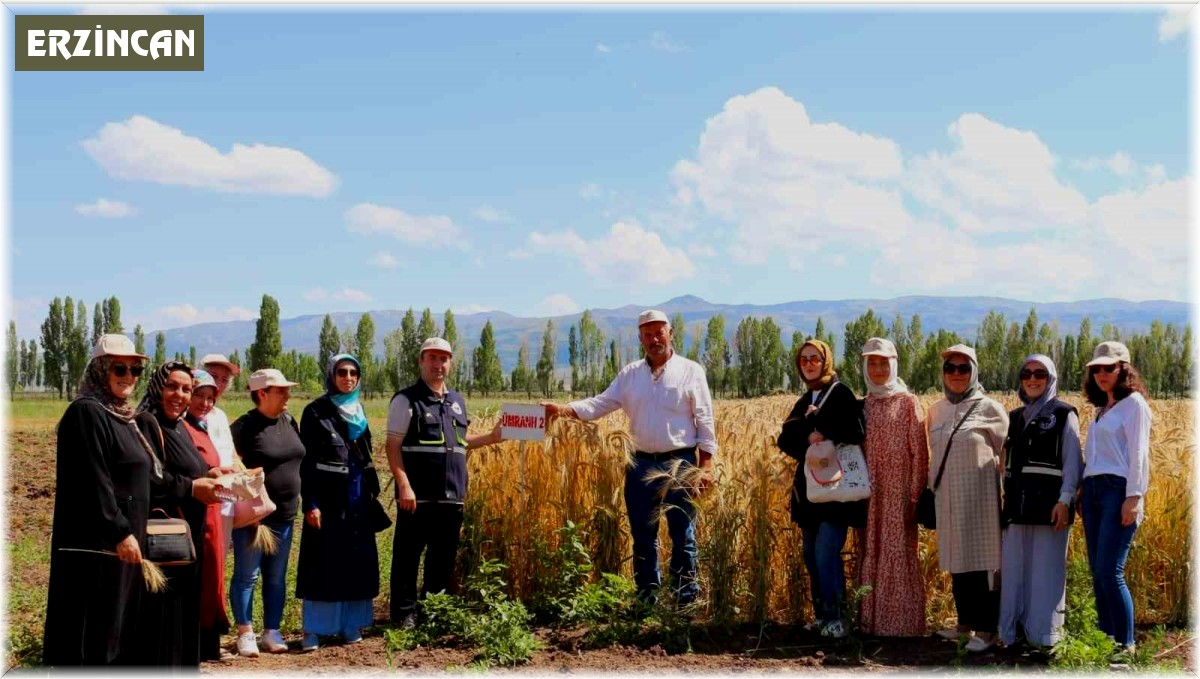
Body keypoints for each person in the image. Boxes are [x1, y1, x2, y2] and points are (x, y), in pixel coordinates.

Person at [543, 310, 717, 609]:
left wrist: (706, 467)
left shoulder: (691, 371)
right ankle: (647, 600)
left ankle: (684, 602)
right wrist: (563, 409)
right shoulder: (630, 375)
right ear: (640, 339)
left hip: (682, 463)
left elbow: (705, 420)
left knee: (683, 535)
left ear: (671, 333)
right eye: (647, 335)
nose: (654, 340)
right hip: (640, 465)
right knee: (642, 537)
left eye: (659, 333)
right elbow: (600, 403)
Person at [43, 335, 152, 666]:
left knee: (115, 631)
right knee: (94, 633)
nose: (129, 376)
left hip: (122, 546)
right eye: (120, 368)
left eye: (136, 369)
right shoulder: (87, 412)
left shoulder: (120, 415)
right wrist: (119, 530)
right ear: (100, 369)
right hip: (98, 546)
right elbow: (94, 481)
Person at [387, 338, 502, 628]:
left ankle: (433, 612)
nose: (439, 365)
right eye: (433, 358)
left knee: (442, 559)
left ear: (450, 363)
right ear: (421, 361)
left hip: (452, 497)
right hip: (418, 496)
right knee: (407, 557)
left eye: (444, 359)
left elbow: (462, 442)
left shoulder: (457, 402)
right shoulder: (406, 399)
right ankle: (404, 615)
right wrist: (404, 485)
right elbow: (392, 446)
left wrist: (492, 437)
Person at [134, 361, 228, 667]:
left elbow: (188, 469)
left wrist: (212, 473)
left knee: (185, 611)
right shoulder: (149, 423)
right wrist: (191, 488)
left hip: (190, 536)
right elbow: (150, 478)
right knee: (165, 617)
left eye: (187, 389)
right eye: (172, 386)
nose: (180, 394)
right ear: (158, 387)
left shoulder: (181, 425)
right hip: (165, 538)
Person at [776, 339, 865, 639]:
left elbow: (855, 431)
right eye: (804, 360)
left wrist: (820, 425)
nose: (809, 364)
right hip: (810, 492)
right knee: (811, 555)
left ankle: (837, 618)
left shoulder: (840, 393)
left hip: (835, 491)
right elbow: (785, 439)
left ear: (825, 360)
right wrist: (809, 435)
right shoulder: (805, 398)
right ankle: (822, 616)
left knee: (826, 552)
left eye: (815, 358)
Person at [297, 354, 386, 650]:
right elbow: (306, 462)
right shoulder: (315, 412)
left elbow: (367, 456)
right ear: (331, 375)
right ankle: (314, 629)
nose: (348, 377)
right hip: (327, 499)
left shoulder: (358, 412)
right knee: (322, 560)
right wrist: (310, 503)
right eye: (342, 372)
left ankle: (350, 624)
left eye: (353, 373)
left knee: (355, 560)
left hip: (358, 498)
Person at [927, 344, 1008, 652]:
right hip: (948, 499)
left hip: (981, 501)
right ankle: (964, 625)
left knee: (984, 563)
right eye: (950, 368)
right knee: (957, 561)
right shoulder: (936, 410)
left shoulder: (990, 408)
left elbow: (1006, 453)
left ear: (974, 371)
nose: (956, 374)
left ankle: (987, 630)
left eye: (963, 368)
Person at [998, 354, 1082, 649]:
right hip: (1017, 510)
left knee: (1046, 572)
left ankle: (1045, 637)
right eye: (1026, 374)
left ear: (1051, 379)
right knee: (1014, 572)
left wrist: (1065, 500)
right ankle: (1013, 634)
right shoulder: (1013, 418)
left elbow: (1073, 461)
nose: (1032, 379)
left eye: (1040, 374)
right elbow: (1003, 462)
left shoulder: (1064, 414)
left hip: (1049, 508)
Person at [1080, 341, 1151, 656]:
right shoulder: (1101, 409)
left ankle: (1126, 644)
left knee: (1111, 571)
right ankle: (1104, 640)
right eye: (1096, 368)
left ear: (1124, 368)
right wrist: (1083, 490)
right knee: (1097, 570)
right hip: (1093, 491)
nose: (1102, 373)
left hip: (1117, 492)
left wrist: (1133, 497)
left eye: (1109, 367)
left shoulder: (1134, 404)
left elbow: (1139, 453)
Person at [230, 369, 306, 656]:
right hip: (255, 519)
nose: (288, 394)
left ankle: (272, 630)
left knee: (276, 576)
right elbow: (231, 462)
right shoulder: (244, 426)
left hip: (285, 515)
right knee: (247, 575)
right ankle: (245, 631)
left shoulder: (289, 420)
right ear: (262, 393)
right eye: (281, 390)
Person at [856, 337, 928, 638]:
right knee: (871, 549)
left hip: (899, 494)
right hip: (871, 495)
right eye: (871, 362)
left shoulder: (907, 402)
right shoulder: (864, 405)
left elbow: (919, 451)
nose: (877, 368)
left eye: (883, 362)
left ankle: (902, 625)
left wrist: (914, 494)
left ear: (894, 364)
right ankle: (870, 622)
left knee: (898, 553)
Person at [182, 369, 236, 662]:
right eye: (199, 395)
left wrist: (220, 472)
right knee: (199, 578)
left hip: (213, 510)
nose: (204, 403)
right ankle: (196, 645)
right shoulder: (181, 427)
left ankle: (209, 643)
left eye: (210, 398)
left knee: (213, 575)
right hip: (195, 513)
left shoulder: (201, 426)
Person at [200, 354, 241, 549]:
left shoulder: (221, 416)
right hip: (202, 499)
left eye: (224, 379)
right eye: (213, 375)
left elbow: (231, 455)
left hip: (226, 500)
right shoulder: (187, 413)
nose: (218, 383)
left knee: (219, 558)